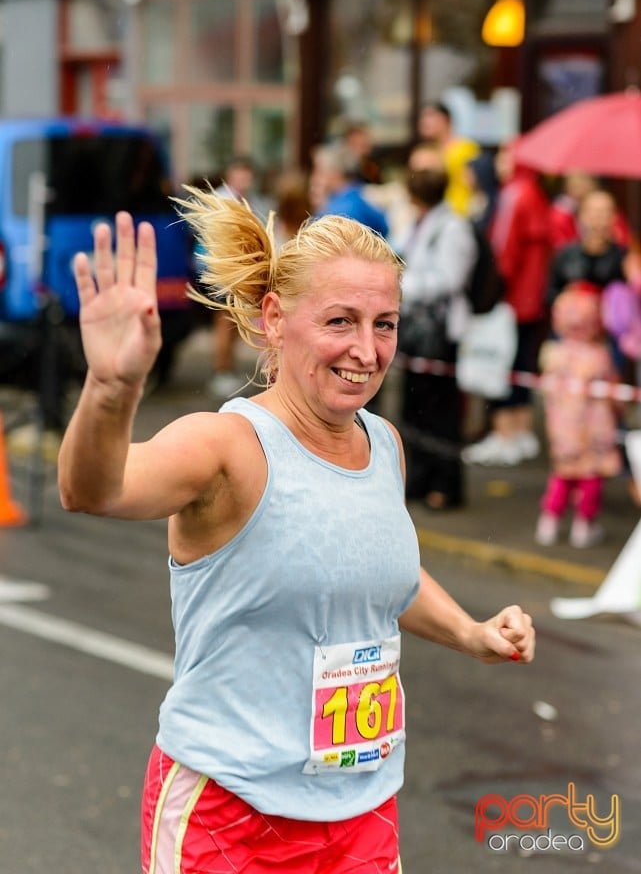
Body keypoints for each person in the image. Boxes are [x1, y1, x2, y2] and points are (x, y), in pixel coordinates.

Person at [57, 196, 535, 874]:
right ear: (275, 319)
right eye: (339, 321)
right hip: (229, 812)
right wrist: (111, 387)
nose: (365, 351)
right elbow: (93, 489)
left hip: (360, 808)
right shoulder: (226, 447)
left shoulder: (383, 443)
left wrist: (470, 631)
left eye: (384, 324)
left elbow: (376, 570)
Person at [396, 141, 478, 509]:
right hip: (417, 330)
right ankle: (420, 479)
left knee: (441, 411)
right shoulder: (420, 223)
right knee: (415, 407)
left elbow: (450, 278)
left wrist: (405, 287)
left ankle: (445, 486)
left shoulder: (453, 227)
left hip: (441, 332)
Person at [463, 145, 553, 466]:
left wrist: (490, 290)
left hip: (514, 297)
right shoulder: (534, 192)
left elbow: (504, 251)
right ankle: (521, 431)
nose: (498, 163)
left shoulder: (514, 195)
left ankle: (505, 436)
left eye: (503, 156)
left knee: (505, 365)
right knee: (523, 364)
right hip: (533, 295)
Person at [535, 284, 621, 548]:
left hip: (562, 430)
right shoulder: (598, 356)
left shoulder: (552, 354)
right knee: (589, 477)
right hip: (592, 432)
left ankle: (549, 521)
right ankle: (584, 525)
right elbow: (613, 391)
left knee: (562, 474)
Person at [193, 155, 271, 400]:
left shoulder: (251, 200)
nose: (244, 179)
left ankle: (227, 370)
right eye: (239, 173)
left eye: (247, 174)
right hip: (223, 271)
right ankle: (221, 372)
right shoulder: (220, 200)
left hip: (242, 271)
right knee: (225, 322)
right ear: (230, 174)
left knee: (236, 323)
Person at [547, 189, 628, 305]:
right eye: (593, 211)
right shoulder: (566, 255)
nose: (598, 218)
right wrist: (564, 297)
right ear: (581, 215)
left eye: (605, 212)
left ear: (614, 217)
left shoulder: (623, 258)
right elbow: (550, 294)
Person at [309, 142, 389, 238]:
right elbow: (384, 227)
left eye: (319, 171)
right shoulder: (357, 196)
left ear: (335, 173)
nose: (314, 177)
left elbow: (317, 242)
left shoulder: (339, 211)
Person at [416, 101, 480, 217]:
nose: (424, 121)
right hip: (434, 215)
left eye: (430, 116)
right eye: (422, 117)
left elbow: (476, 185)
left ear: (446, 119)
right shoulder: (427, 151)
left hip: (460, 215)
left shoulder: (465, 148)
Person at [550, 171, 632, 251]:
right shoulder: (562, 212)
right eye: (575, 185)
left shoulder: (604, 201)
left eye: (602, 212)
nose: (598, 218)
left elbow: (624, 239)